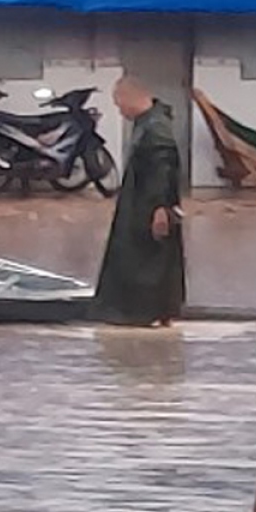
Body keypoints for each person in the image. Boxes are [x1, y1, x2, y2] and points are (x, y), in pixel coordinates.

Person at [93, 76, 186, 327]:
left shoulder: (156, 128)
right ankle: (148, 310)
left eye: (118, 103)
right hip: (139, 202)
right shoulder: (147, 123)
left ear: (129, 98)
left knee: (147, 260)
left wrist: (160, 207)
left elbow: (163, 167)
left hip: (149, 205)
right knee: (143, 258)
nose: (119, 110)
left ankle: (144, 312)